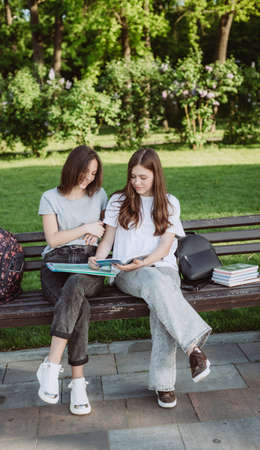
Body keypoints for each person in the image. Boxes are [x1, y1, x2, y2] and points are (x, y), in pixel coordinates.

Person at [89, 148, 212, 408]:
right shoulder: (118, 201)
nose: (137, 183)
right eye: (133, 177)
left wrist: (145, 261)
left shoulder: (169, 202)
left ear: (156, 176)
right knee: (158, 286)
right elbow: (108, 239)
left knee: (161, 299)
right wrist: (99, 260)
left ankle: (164, 386)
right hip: (127, 272)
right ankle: (193, 348)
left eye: (143, 177)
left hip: (161, 267)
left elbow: (166, 248)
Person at [37, 145, 107, 415]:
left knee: (77, 285)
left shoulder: (99, 195)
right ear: (71, 167)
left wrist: (98, 230)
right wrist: (84, 228)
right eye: (85, 171)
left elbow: (106, 229)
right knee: (81, 306)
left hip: (88, 265)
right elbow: (53, 239)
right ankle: (78, 384)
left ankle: (51, 365)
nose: (88, 178)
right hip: (55, 265)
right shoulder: (49, 197)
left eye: (93, 173)